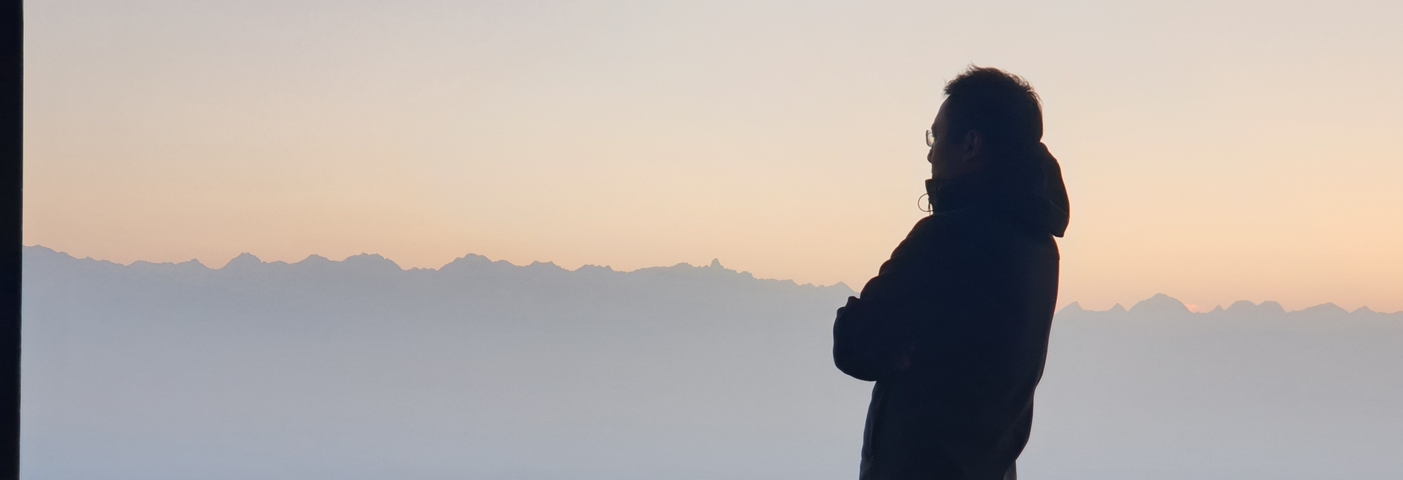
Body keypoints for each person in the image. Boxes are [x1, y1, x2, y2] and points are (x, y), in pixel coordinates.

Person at [832, 67, 1070, 480]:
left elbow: (854, 340)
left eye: (935, 136)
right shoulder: (1041, 249)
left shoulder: (947, 238)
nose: (929, 153)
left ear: (971, 145)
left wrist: (888, 343)